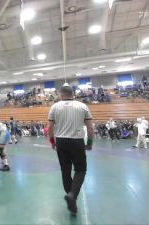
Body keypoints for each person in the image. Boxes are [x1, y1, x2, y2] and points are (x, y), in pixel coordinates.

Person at [48, 86, 94, 215]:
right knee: (80, 170)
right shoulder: (83, 106)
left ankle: (70, 196)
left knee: (65, 170)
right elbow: (90, 128)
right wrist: (89, 143)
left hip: (61, 142)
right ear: (72, 94)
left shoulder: (54, 107)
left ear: (60, 95)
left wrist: (52, 142)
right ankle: (72, 195)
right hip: (77, 141)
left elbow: (50, 127)